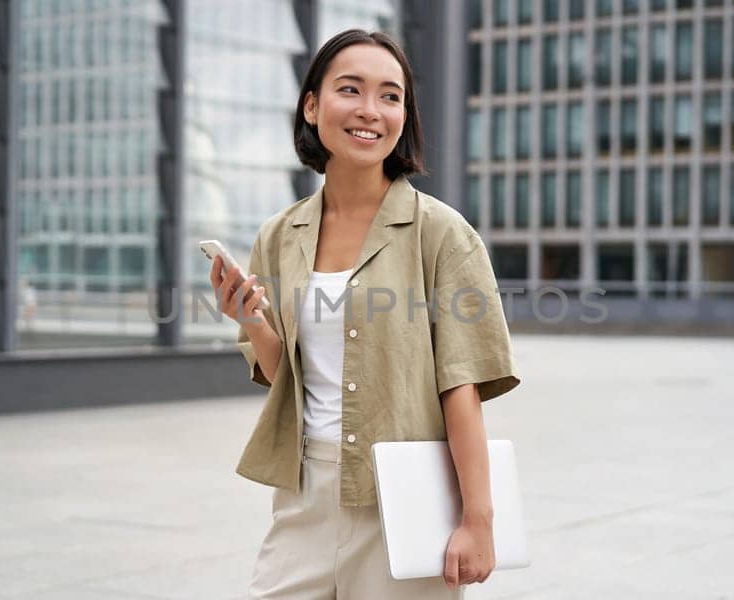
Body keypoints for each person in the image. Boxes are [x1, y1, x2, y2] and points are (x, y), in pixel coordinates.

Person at [207, 29, 520, 598]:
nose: (370, 111)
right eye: (350, 89)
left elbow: (461, 389)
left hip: (403, 501)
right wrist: (250, 318)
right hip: (304, 494)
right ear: (312, 104)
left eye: (390, 96)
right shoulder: (279, 235)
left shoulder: (442, 234)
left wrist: (479, 520)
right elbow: (290, 383)